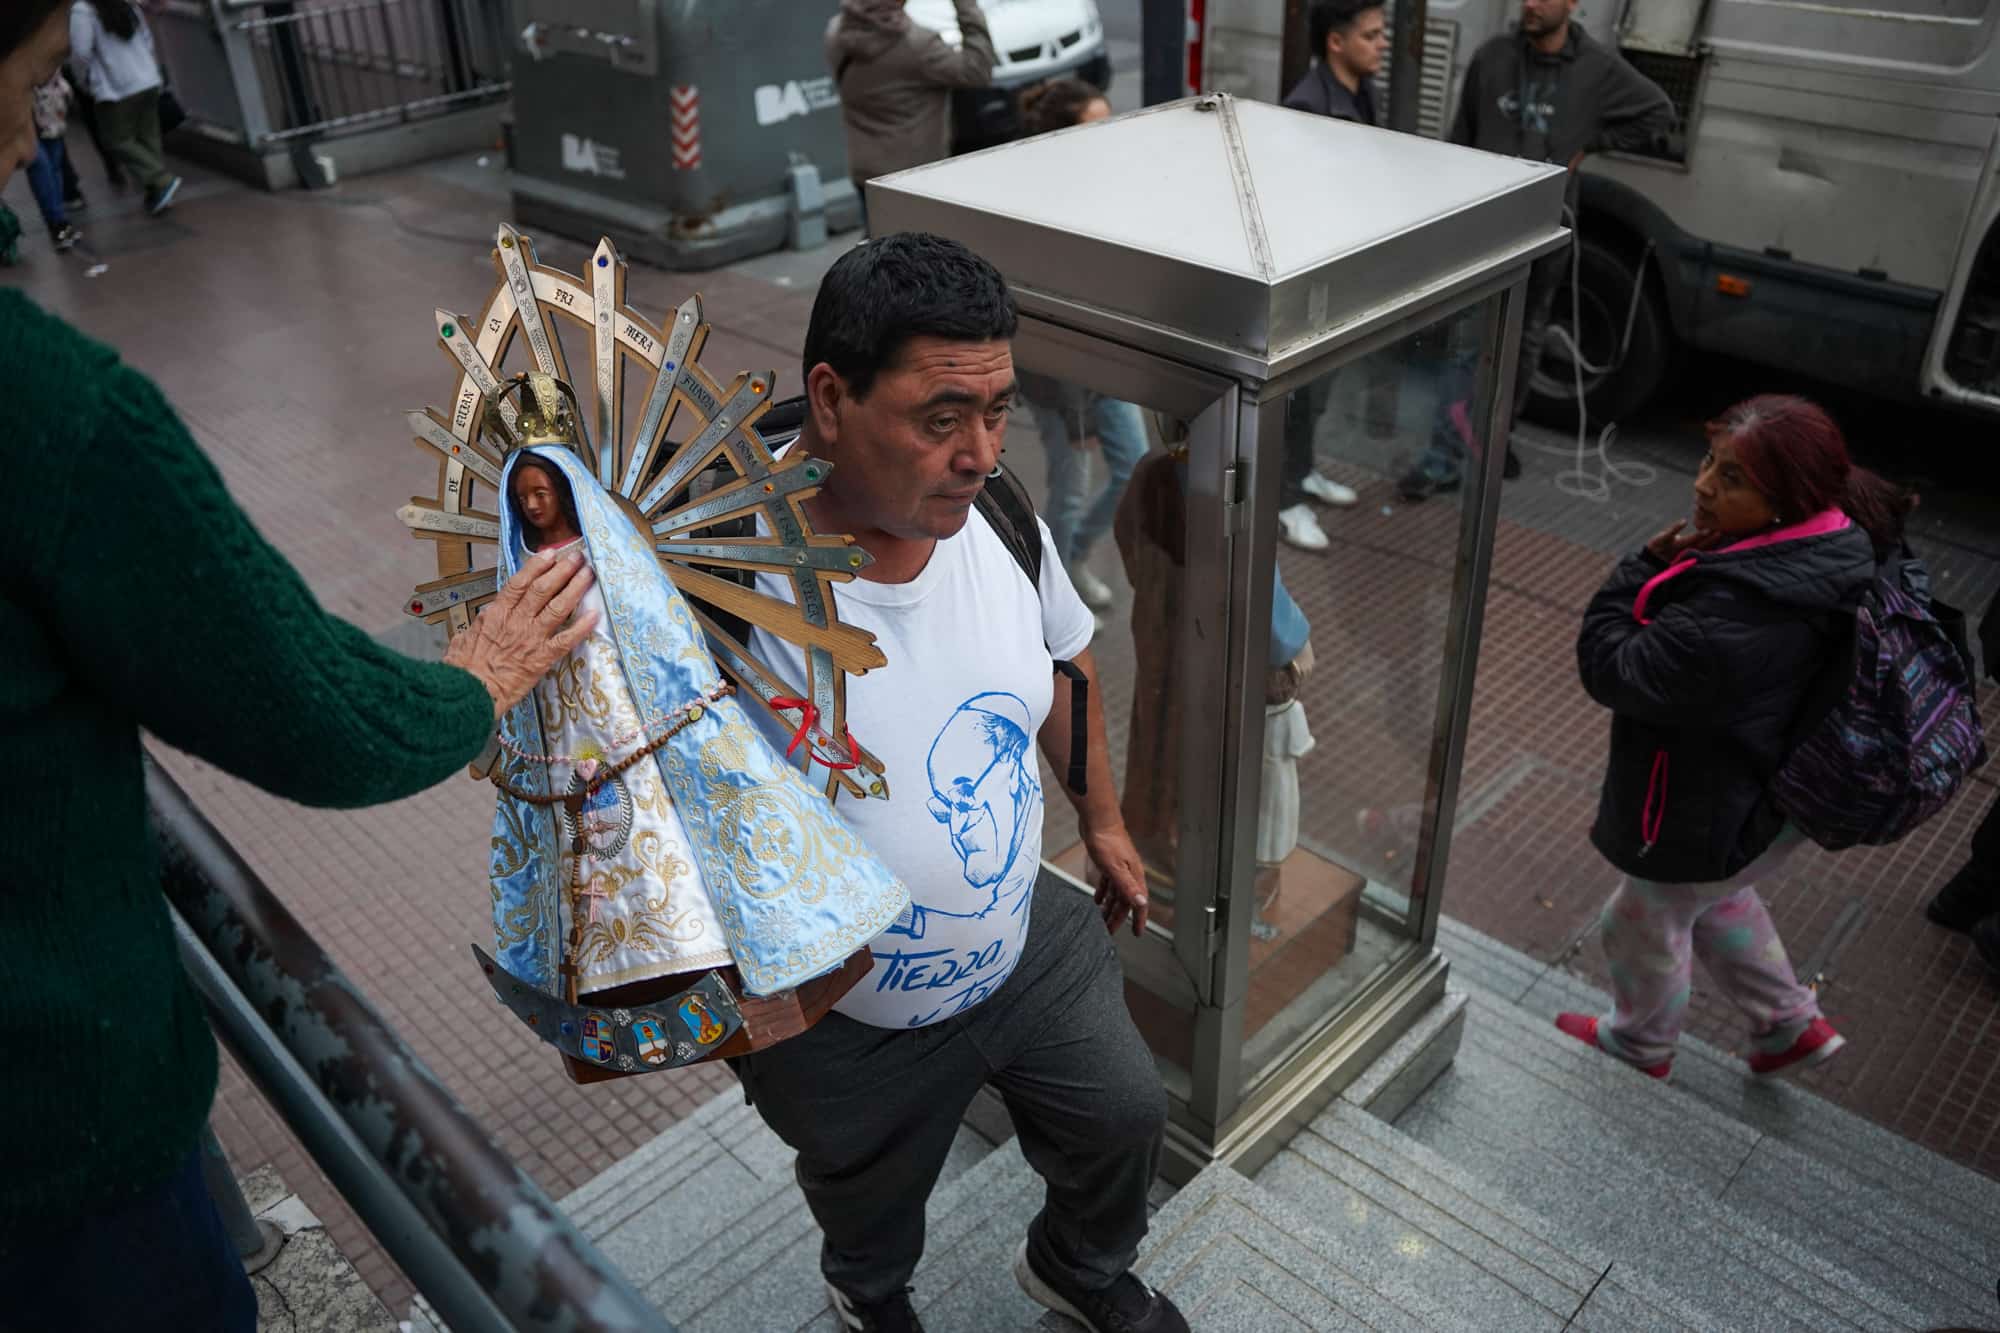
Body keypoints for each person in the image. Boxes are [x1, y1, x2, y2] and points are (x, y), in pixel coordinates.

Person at [0, 6, 599, 1327]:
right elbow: (315, 715)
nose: (37, 127)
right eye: (38, 81)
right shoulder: (47, 413)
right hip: (49, 1153)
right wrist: (474, 680)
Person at [734, 233, 1189, 1333]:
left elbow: (1063, 658)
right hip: (840, 1018)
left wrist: (1102, 814)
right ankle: (868, 1294)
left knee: (1125, 1115)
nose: (981, 451)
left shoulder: (994, 514)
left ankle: (1077, 1266)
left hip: (1019, 938)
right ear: (831, 399)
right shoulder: (718, 580)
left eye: (997, 412)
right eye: (941, 418)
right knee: (869, 1195)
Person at [1562, 395, 1916, 1080]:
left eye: (1732, 480)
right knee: (1720, 896)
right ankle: (1787, 1023)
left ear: (1786, 501)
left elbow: (1611, 668)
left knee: (1637, 921)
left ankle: (1639, 1045)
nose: (1702, 485)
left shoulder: (1734, 616)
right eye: (1709, 462)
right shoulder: (1834, 540)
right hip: (1764, 800)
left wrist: (1637, 568)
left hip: (1706, 804)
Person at [1398, 0, 1673, 499]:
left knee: (1522, 343)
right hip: (1483, 234)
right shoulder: (1493, 57)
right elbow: (1458, 138)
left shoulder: (1598, 68)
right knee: (1467, 343)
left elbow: (1659, 114)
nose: (1530, 3)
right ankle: (1442, 458)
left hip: (1546, 232)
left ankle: (1494, 442)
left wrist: (1591, 143)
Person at [1015, 78, 1147, 616]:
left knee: (1135, 464)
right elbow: (1053, 320)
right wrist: (1077, 420)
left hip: (1108, 371)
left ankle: (1073, 558)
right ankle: (1055, 587)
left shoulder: (1109, 188)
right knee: (1068, 488)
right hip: (1059, 383)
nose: (1110, 136)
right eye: (1097, 126)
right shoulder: (1043, 205)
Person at [1270, 0, 1380, 548]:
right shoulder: (1309, 106)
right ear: (1336, 42)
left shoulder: (1362, 93)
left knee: (1321, 390)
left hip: (1343, 269)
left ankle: (1303, 473)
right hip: (1314, 277)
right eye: (1370, 35)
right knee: (1300, 394)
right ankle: (1284, 500)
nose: (1381, 44)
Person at [827, 0, 995, 234]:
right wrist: (966, 7)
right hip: (914, 178)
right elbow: (977, 70)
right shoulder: (917, 45)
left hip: (865, 172)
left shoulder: (835, 32)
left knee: (880, 249)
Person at [68, 0, 181, 216]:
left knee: (116, 140)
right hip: (147, 79)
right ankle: (158, 194)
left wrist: (85, 82)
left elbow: (80, 53)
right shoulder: (127, 3)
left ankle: (161, 179)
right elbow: (147, 39)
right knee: (148, 138)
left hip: (116, 88)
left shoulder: (82, 10)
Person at [26, 72, 80, 250]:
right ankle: (57, 223)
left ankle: (60, 222)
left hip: (50, 105)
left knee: (54, 166)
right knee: (40, 165)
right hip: (23, 108)